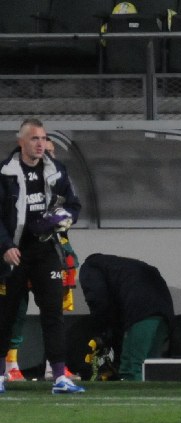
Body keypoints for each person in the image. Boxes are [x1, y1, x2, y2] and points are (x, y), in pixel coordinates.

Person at [0, 118, 84, 394]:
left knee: (53, 313)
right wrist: (4, 247)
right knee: (6, 314)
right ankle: (1, 373)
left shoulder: (56, 169)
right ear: (21, 142)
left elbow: (73, 204)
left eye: (43, 138)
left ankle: (59, 374)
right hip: (13, 252)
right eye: (34, 138)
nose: (40, 144)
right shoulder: (5, 172)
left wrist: (62, 219)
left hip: (45, 249)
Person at [79, 253, 175, 381]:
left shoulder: (90, 267)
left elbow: (98, 301)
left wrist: (102, 330)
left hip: (140, 310)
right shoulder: (121, 267)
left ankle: (135, 398)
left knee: (131, 368)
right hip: (164, 311)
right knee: (151, 368)